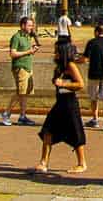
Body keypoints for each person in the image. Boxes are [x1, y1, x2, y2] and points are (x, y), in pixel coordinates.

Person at [35, 41, 87, 173]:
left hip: (70, 104)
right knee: (47, 131)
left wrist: (63, 83)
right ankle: (43, 162)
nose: (55, 54)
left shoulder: (70, 65)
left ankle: (82, 163)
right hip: (60, 104)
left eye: (57, 51)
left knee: (75, 133)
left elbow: (80, 84)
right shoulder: (60, 67)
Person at [77, 24, 103, 131]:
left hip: (94, 73)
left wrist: (74, 61)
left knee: (93, 97)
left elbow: (84, 59)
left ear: (96, 32)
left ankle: (95, 119)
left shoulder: (92, 43)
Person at [1, 17, 40, 126]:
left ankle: (22, 116)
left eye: (32, 25)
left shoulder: (28, 37)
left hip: (28, 67)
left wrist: (32, 51)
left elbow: (27, 52)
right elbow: (13, 54)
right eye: (29, 25)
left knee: (25, 93)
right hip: (20, 67)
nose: (31, 27)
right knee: (20, 92)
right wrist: (29, 51)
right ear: (22, 26)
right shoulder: (16, 37)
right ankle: (6, 113)